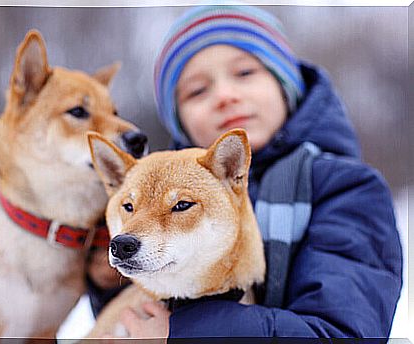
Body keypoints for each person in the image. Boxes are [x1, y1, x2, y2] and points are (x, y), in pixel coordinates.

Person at [87, 5, 403, 338]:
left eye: (244, 73)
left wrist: (185, 332)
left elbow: (343, 332)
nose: (225, 96)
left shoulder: (348, 191)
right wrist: (106, 284)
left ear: (284, 85)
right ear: (179, 118)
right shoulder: (152, 180)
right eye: (198, 91)